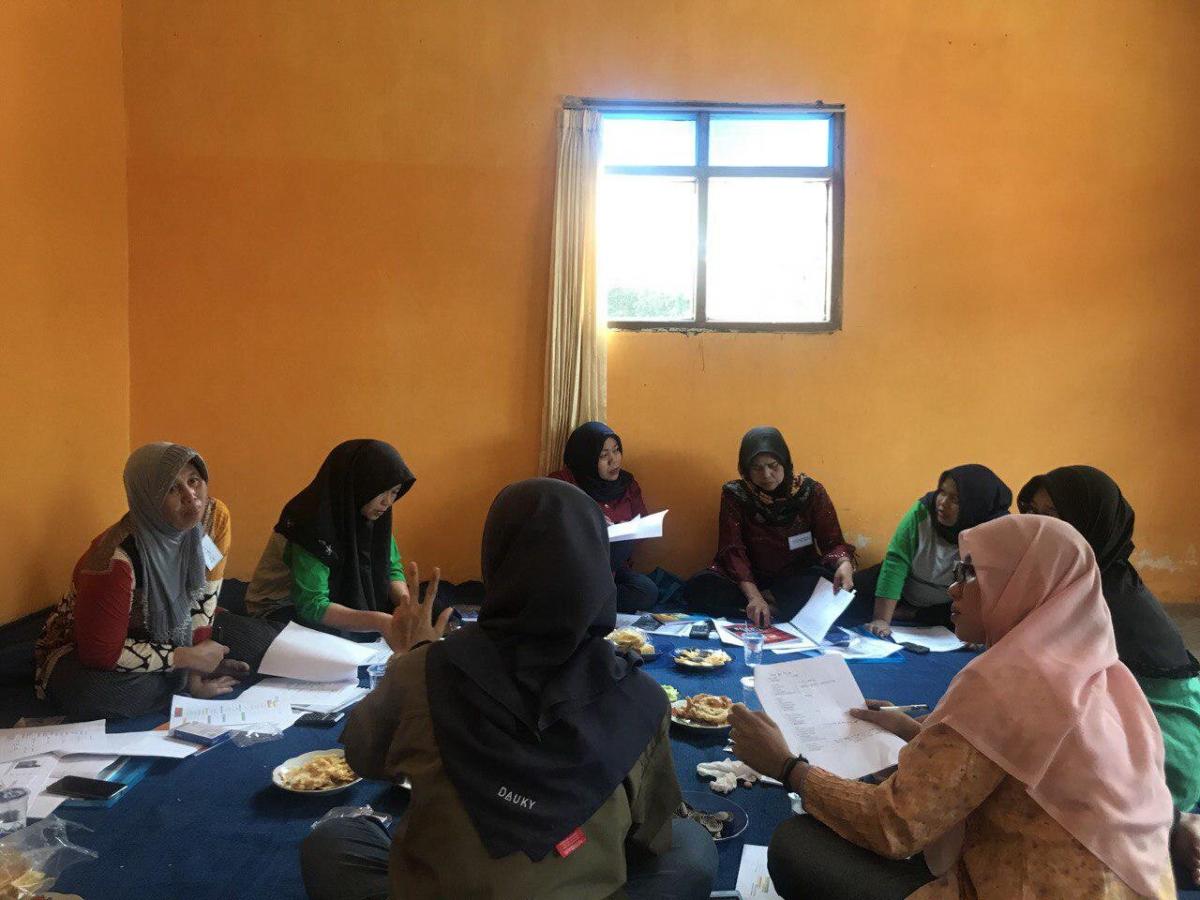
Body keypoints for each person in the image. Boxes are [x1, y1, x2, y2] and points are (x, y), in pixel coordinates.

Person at [300, 478, 717, 900]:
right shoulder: (642, 699)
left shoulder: (423, 672)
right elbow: (649, 838)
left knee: (334, 840)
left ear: (496, 561)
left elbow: (363, 755)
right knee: (691, 847)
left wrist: (411, 656)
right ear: (596, 564)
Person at [729, 515, 1176, 899]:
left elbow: (893, 825)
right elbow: (1015, 760)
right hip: (1134, 882)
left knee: (798, 844)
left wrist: (787, 767)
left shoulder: (1005, 682)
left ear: (1023, 584)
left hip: (1026, 884)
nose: (952, 588)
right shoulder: (1103, 672)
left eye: (970, 573)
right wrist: (911, 729)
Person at [1020, 465, 1200, 883]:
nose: (1040, 526)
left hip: (1167, 753)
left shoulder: (1099, 598)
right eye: (1033, 511)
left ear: (1091, 525)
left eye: (1057, 515)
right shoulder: (1084, 574)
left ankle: (1171, 822)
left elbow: (1061, 703)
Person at [34, 443, 282, 720]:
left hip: (180, 625)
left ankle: (177, 678)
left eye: (193, 481)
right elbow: (101, 654)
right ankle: (176, 684)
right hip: (95, 645)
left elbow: (205, 597)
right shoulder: (112, 561)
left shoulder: (214, 519)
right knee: (90, 693)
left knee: (265, 642)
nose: (192, 497)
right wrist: (187, 660)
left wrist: (197, 663)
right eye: (172, 489)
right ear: (148, 498)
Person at [683, 426, 854, 626]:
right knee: (699, 587)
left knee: (824, 584)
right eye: (756, 467)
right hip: (748, 578)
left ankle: (768, 606)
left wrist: (844, 563)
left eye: (773, 465)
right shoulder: (736, 494)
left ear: (785, 462)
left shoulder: (810, 491)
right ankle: (770, 607)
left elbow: (832, 541)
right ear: (745, 468)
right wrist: (754, 595)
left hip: (795, 577)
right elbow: (732, 549)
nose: (766, 474)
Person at [245, 439, 415, 639]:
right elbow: (311, 605)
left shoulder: (372, 515)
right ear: (358, 485)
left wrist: (407, 605)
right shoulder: (309, 523)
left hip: (330, 596)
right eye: (380, 491)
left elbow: (391, 569)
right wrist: (380, 622)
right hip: (281, 605)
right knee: (328, 639)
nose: (387, 502)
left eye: (394, 492)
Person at [853, 465, 1011, 637]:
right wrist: (881, 620)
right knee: (849, 592)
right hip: (903, 590)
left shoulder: (991, 530)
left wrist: (973, 630)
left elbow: (976, 585)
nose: (942, 502)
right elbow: (896, 563)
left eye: (955, 499)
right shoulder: (922, 512)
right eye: (942, 492)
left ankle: (914, 614)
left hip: (946, 605)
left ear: (975, 506)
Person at [548, 421, 658, 613]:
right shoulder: (562, 483)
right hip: (577, 567)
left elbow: (642, 525)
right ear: (586, 458)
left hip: (613, 569)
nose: (614, 460)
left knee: (646, 590)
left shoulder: (627, 484)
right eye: (603, 455)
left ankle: (586, 601)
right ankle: (587, 600)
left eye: (616, 451)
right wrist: (592, 522)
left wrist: (625, 528)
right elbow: (553, 528)